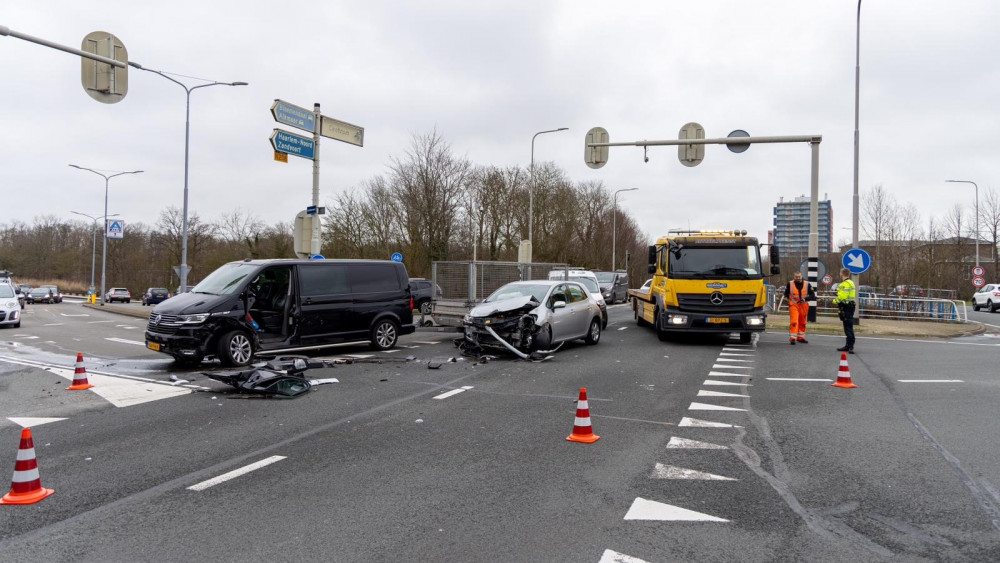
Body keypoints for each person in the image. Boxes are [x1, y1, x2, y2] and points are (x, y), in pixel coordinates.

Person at [783, 271, 815, 344]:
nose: (798, 278)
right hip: (794, 304)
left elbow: (812, 295)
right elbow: (786, 294)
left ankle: (801, 337)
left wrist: (805, 299)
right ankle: (793, 338)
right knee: (794, 321)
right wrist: (788, 300)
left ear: (801, 276)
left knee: (802, 322)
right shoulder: (790, 284)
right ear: (794, 277)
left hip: (803, 305)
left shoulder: (807, 284)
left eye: (799, 277)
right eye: (796, 277)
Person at [833, 268, 856, 353]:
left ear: (841, 274)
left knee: (848, 327)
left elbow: (842, 297)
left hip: (846, 307)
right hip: (850, 306)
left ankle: (850, 346)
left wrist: (834, 301)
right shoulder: (851, 282)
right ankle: (848, 345)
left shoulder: (844, 284)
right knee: (848, 326)